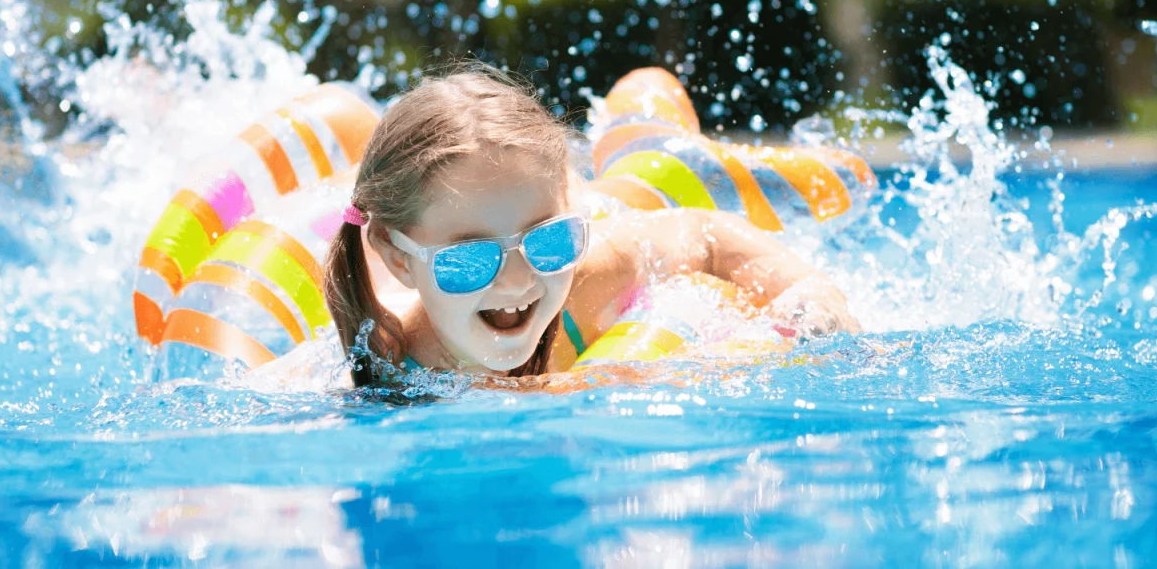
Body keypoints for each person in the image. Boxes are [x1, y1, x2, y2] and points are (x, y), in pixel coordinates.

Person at [323, 64, 859, 387]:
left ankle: (648, 127)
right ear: (398, 258)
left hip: (624, 207)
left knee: (661, 168)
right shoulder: (380, 366)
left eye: (549, 241)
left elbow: (699, 235)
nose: (517, 282)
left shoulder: (584, 278)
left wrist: (803, 289)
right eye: (470, 258)